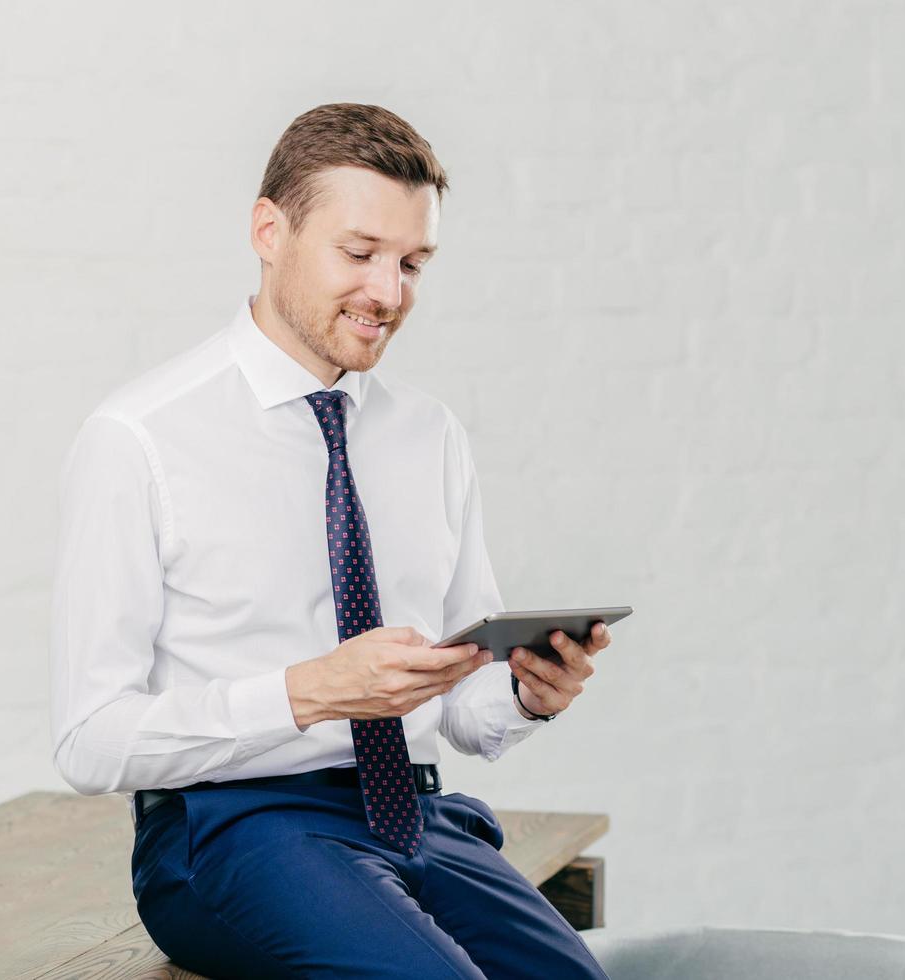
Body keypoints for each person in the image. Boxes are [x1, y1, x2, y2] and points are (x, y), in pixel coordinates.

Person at [49, 103, 614, 979]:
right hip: (232, 829)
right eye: (359, 254)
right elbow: (90, 741)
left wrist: (528, 692)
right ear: (268, 230)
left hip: (418, 819)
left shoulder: (431, 435)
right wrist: (309, 693)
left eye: (413, 263)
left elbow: (463, 706)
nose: (388, 294)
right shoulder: (140, 438)